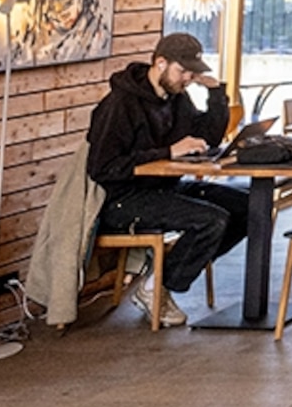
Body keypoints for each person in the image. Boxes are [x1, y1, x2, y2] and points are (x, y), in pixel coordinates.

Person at [86, 31, 249, 325]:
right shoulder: (120, 104)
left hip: (164, 187)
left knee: (247, 208)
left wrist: (215, 92)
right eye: (182, 71)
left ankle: (157, 280)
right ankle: (157, 287)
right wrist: (169, 151)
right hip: (122, 200)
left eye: (192, 73)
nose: (187, 79)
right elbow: (102, 167)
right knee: (212, 221)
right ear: (160, 63)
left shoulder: (176, 98)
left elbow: (209, 136)